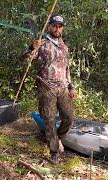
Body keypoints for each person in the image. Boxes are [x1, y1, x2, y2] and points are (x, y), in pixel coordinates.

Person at [22, 14, 76, 164]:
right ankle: (54, 152)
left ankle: (57, 138)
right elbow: (25, 59)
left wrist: (71, 86)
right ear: (49, 26)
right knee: (49, 120)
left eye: (60, 26)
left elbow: (67, 69)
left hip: (63, 88)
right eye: (54, 25)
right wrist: (30, 48)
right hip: (46, 88)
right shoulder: (42, 43)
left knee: (69, 118)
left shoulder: (64, 46)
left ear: (62, 28)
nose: (57, 28)